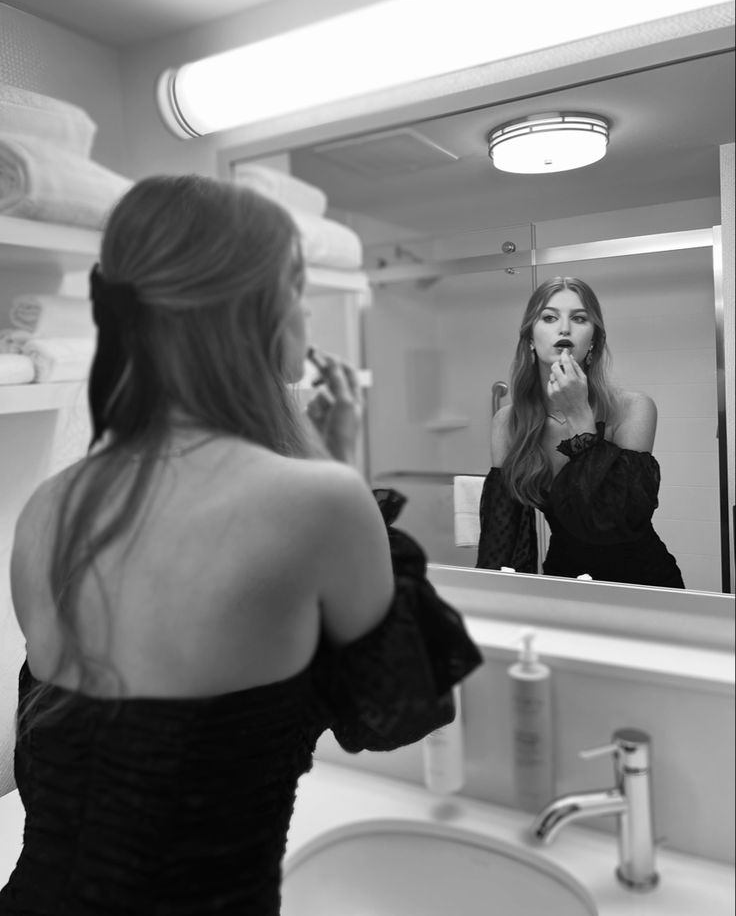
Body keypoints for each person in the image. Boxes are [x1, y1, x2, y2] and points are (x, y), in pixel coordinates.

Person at [0, 175, 482, 915]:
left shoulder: (46, 511)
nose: (307, 314)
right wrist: (336, 459)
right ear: (260, 305)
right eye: (298, 287)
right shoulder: (318, 503)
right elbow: (400, 712)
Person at [476, 275, 685, 589]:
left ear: (594, 341)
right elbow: (503, 536)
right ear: (530, 338)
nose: (564, 329)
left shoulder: (633, 409)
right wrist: (497, 598)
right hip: (564, 580)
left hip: (643, 582)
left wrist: (579, 417)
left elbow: (616, 519)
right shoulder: (509, 422)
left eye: (579, 318)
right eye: (549, 318)